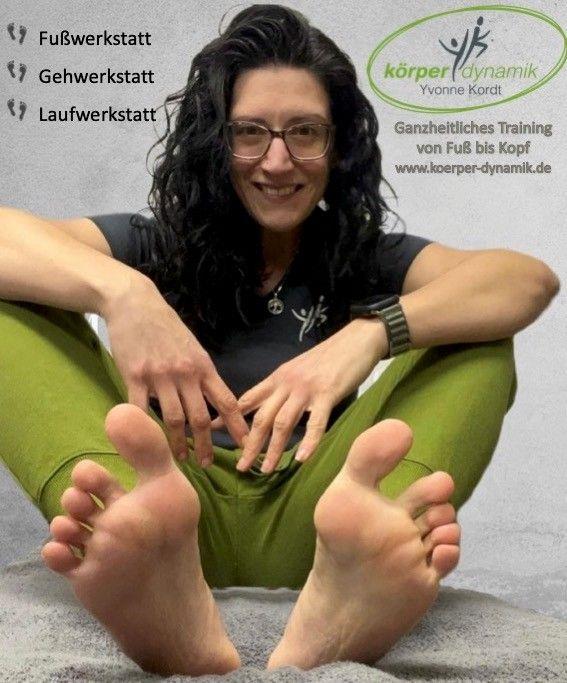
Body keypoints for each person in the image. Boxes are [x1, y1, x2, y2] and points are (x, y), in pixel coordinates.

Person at [0, 4, 559, 677]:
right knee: (10, 309)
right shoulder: (152, 245)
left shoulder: (364, 256)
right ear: (215, 141)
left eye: (304, 132)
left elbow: (525, 280)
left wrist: (369, 334)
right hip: (162, 500)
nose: (277, 160)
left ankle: (367, 559)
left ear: (337, 144)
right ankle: (150, 567)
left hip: (325, 514)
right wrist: (125, 294)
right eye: (250, 133)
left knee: (480, 333)